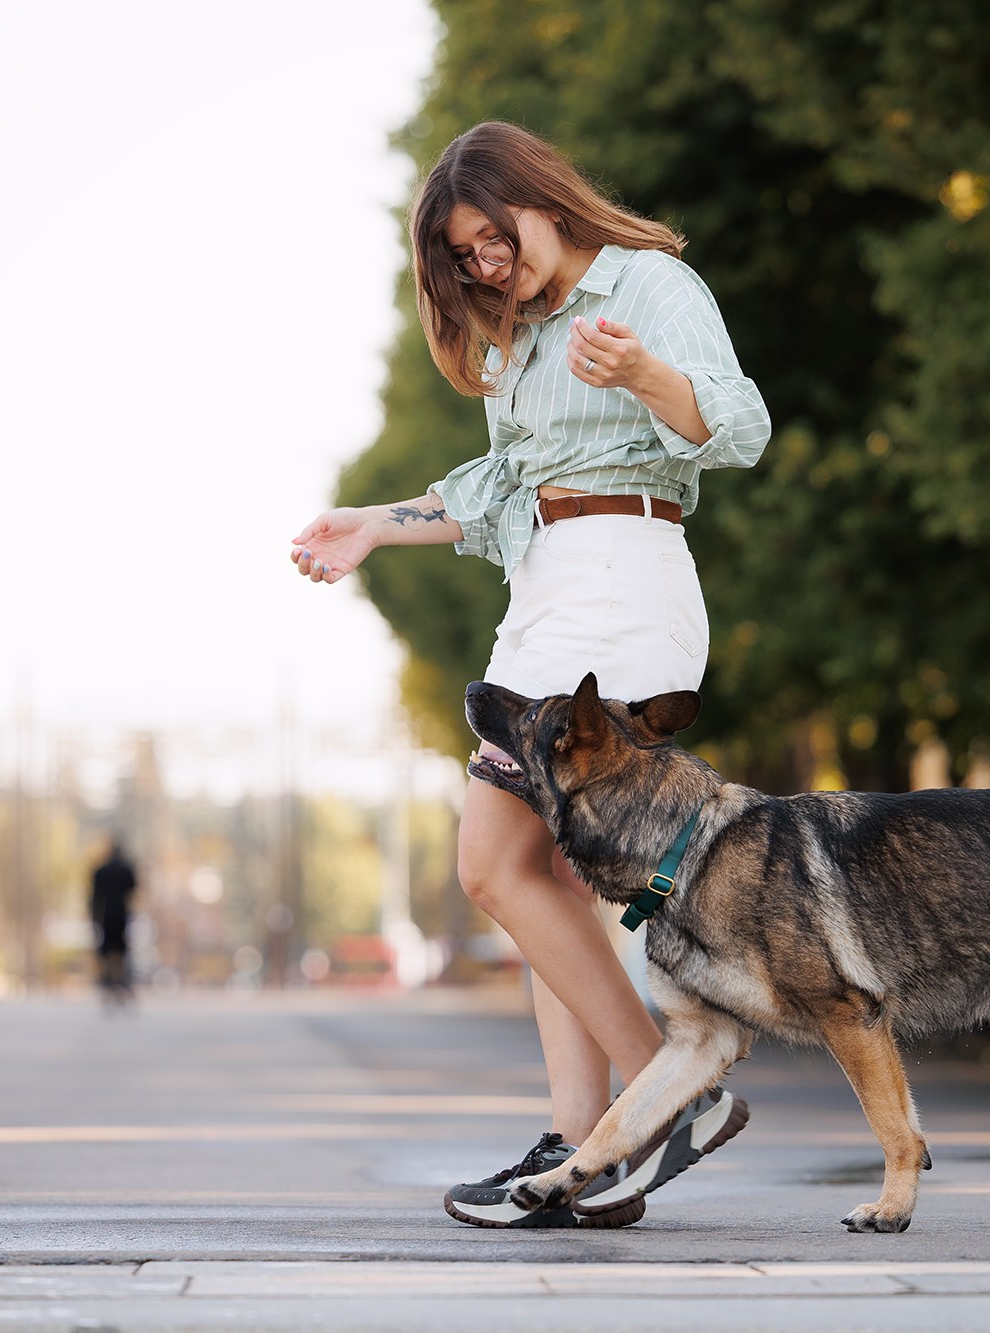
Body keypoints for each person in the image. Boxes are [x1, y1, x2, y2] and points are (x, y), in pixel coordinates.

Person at [289, 121, 770, 1228]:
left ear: (536, 201)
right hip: (549, 589)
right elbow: (502, 485)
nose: (482, 266)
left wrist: (647, 373)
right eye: (460, 258)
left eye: (487, 239)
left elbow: (737, 425)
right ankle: (582, 1147)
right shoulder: (519, 339)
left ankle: (666, 1097)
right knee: (536, 877)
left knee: (492, 860)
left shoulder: (648, 286)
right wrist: (374, 521)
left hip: (622, 581)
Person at [88, 838, 139, 1006]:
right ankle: (119, 981)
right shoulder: (125, 870)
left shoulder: (102, 871)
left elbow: (94, 897)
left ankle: (111, 981)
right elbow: (134, 890)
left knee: (108, 950)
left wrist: (94, 917)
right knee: (120, 950)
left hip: (106, 916)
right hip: (121, 915)